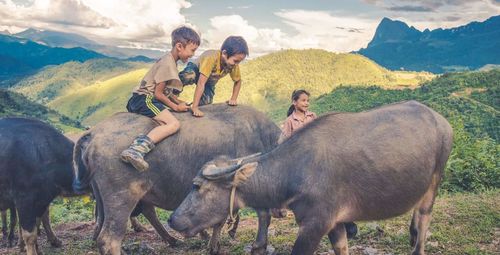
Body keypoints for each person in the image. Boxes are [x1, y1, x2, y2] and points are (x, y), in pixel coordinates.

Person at [120, 26, 200, 172]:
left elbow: (165, 91)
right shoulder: (168, 64)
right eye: (192, 50)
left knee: (163, 123)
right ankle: (136, 150)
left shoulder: (170, 60)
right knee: (174, 124)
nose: (192, 55)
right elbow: (158, 93)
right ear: (179, 46)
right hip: (146, 99)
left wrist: (177, 101)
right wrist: (176, 107)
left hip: (143, 98)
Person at [178, 36, 249, 117]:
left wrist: (233, 99)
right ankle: (171, 90)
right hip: (196, 70)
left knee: (207, 102)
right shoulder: (211, 57)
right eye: (235, 61)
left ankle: (188, 105)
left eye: (239, 62)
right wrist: (195, 107)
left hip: (209, 81)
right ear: (224, 54)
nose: (237, 64)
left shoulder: (233, 65)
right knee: (189, 76)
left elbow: (238, 81)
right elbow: (201, 83)